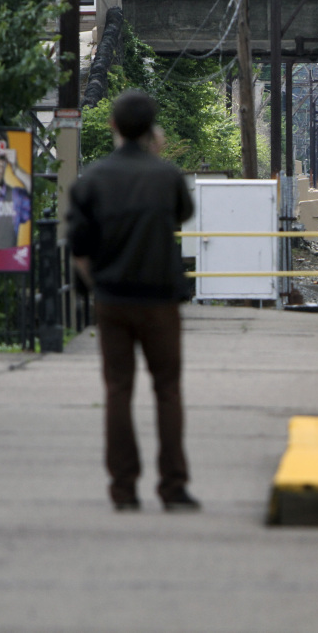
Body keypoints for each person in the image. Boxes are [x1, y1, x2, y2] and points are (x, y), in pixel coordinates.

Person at [66, 90, 199, 512]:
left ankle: (124, 490)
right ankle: (173, 487)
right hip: (160, 300)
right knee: (168, 391)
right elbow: (182, 214)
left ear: (113, 127)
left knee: (118, 391)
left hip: (113, 299)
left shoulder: (94, 178)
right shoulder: (167, 177)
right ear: (152, 130)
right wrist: (156, 156)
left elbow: (79, 248)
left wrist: (97, 289)